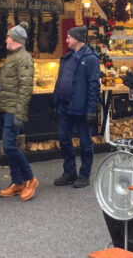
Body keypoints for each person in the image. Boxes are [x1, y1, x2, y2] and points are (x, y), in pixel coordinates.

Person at [52, 26, 100, 188]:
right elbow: (61, 80)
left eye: (68, 37)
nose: (66, 40)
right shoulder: (68, 57)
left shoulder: (91, 59)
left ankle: (84, 175)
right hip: (65, 106)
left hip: (81, 107)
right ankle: (69, 172)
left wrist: (92, 110)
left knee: (85, 143)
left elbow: (94, 85)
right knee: (64, 139)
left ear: (77, 39)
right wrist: (55, 101)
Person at [0, 22, 38, 201]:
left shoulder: (24, 58)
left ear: (15, 40)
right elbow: (12, 83)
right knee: (10, 145)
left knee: (10, 145)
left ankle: (30, 179)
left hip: (14, 109)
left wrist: (20, 114)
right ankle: (17, 182)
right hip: (7, 106)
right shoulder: (13, 56)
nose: (5, 39)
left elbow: (26, 88)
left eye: (8, 37)